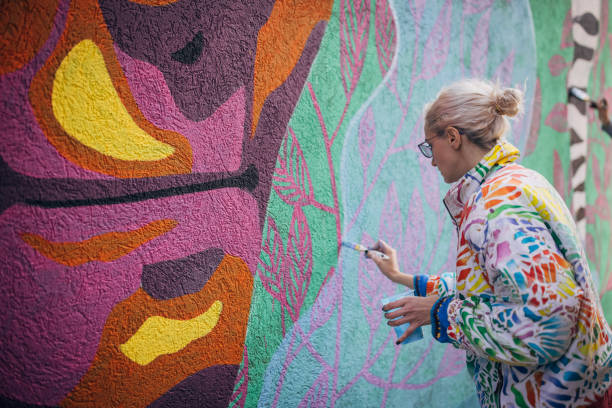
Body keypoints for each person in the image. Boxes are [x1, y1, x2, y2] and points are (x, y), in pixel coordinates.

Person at [367, 79, 612, 408]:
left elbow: (547, 325)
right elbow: (500, 288)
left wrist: (442, 314)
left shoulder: (497, 207)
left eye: (430, 146)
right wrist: (406, 280)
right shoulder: (514, 184)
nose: (431, 160)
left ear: (453, 137)